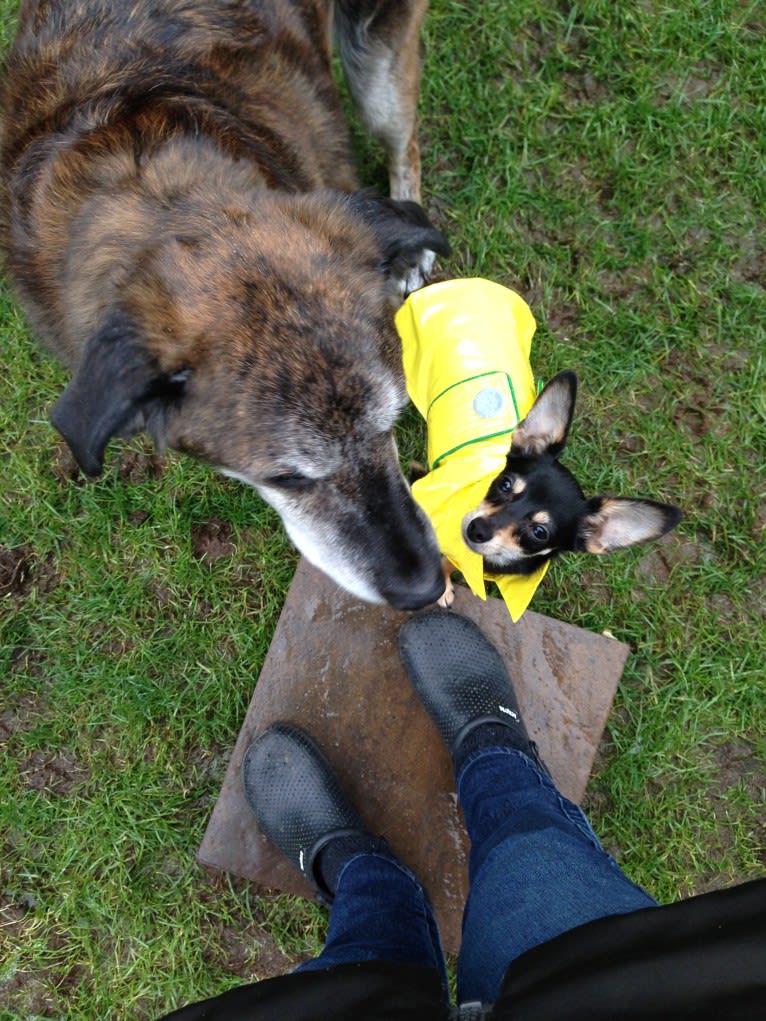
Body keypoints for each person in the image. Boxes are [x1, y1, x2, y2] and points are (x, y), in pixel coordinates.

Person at [159, 610, 765, 1019]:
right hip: (621, 998)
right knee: (530, 852)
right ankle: (492, 750)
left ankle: (360, 872)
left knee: (360, 966)